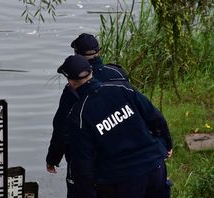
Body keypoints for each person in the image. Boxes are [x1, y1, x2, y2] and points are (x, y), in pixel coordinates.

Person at [57, 54, 173, 198]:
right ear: (91, 72)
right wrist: (167, 144)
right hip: (155, 167)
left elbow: (82, 166)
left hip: (123, 180)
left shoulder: (79, 115)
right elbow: (156, 118)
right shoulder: (123, 88)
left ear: (71, 83)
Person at [46, 33, 129, 197]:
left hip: (85, 155)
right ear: (100, 51)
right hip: (119, 153)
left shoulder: (74, 87)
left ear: (76, 54)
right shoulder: (118, 73)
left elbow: (62, 127)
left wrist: (53, 158)